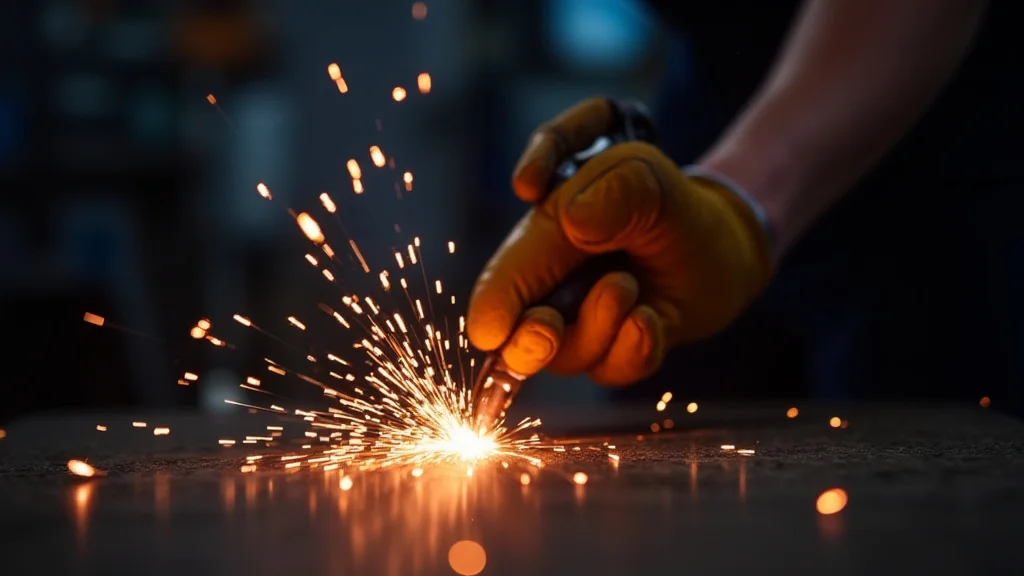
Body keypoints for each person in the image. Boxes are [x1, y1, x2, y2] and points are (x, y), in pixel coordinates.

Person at [467, 0, 1023, 413]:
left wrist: (739, 203)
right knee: (668, 410)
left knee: (920, 420)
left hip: (935, 123)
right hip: (716, 96)